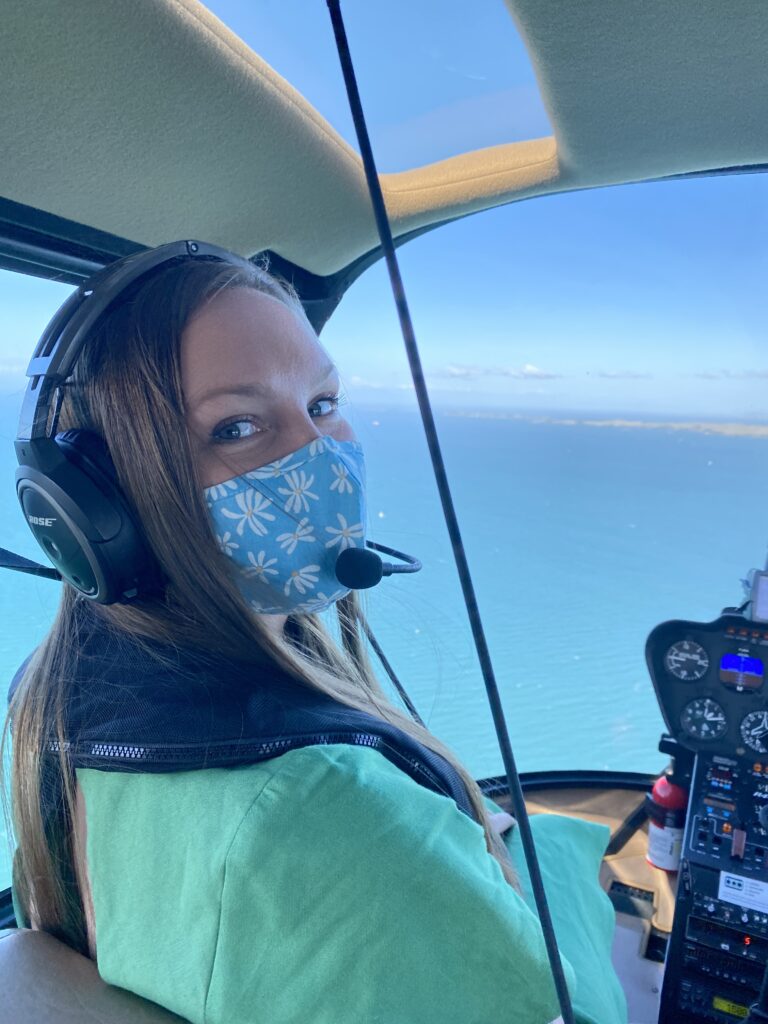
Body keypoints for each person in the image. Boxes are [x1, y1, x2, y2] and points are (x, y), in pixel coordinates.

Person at [2, 246, 627, 1024]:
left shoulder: (49, 696)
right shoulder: (334, 815)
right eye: (236, 426)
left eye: (324, 402)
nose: (317, 456)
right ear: (103, 506)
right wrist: (568, 871)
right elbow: (572, 1010)